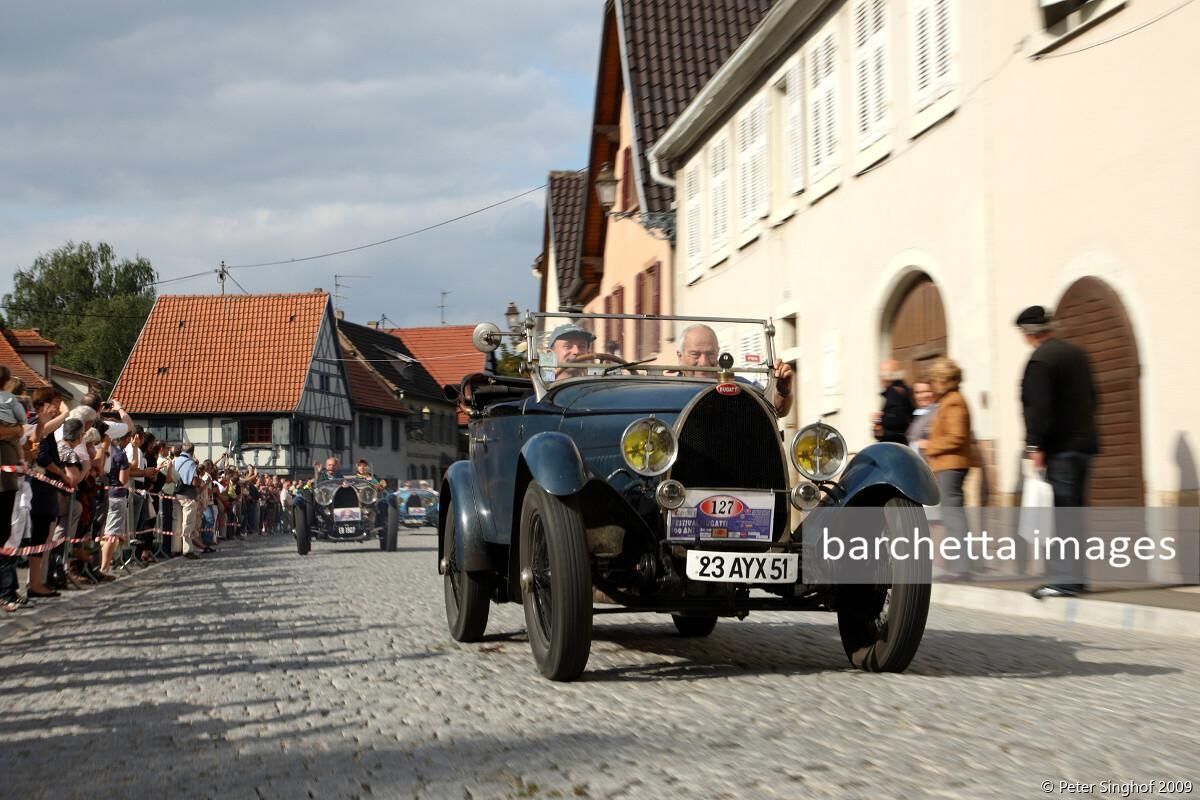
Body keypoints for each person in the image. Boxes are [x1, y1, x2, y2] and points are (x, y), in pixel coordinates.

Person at [1016, 305, 1099, 599]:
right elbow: (1094, 398)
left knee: (1061, 515)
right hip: (1084, 445)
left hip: (1059, 449)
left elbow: (1039, 408)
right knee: (1073, 513)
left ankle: (1063, 580)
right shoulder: (1077, 354)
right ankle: (1076, 578)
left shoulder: (1041, 360)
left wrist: (1035, 445)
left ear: (1028, 333)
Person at [916, 359, 974, 581]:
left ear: (943, 380)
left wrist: (929, 445)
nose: (932, 386)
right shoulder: (948, 401)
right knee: (951, 516)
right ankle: (958, 566)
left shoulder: (954, 402)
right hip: (947, 465)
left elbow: (956, 436)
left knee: (953, 516)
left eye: (935, 381)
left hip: (952, 465)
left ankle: (961, 568)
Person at [675, 324, 794, 415]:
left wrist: (783, 392)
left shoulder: (742, 387)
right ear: (680, 356)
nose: (704, 362)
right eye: (695, 354)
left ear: (718, 353)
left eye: (710, 354)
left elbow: (774, 410)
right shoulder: (669, 392)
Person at [172, 441, 203, 558]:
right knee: (188, 523)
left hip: (175, 494)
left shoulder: (175, 461)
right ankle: (187, 550)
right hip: (188, 495)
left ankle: (175, 548)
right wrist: (200, 480)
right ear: (192, 451)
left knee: (176, 523)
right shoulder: (190, 463)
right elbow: (194, 482)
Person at [872, 359, 914, 444]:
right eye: (881, 374)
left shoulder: (895, 393)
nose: (881, 377)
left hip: (897, 446)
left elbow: (897, 424)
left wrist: (881, 426)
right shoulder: (893, 392)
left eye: (885, 374)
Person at [906, 380, 938, 458]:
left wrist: (926, 444)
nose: (922, 396)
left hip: (932, 462)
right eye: (918, 392)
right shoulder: (920, 412)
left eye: (927, 391)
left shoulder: (939, 412)